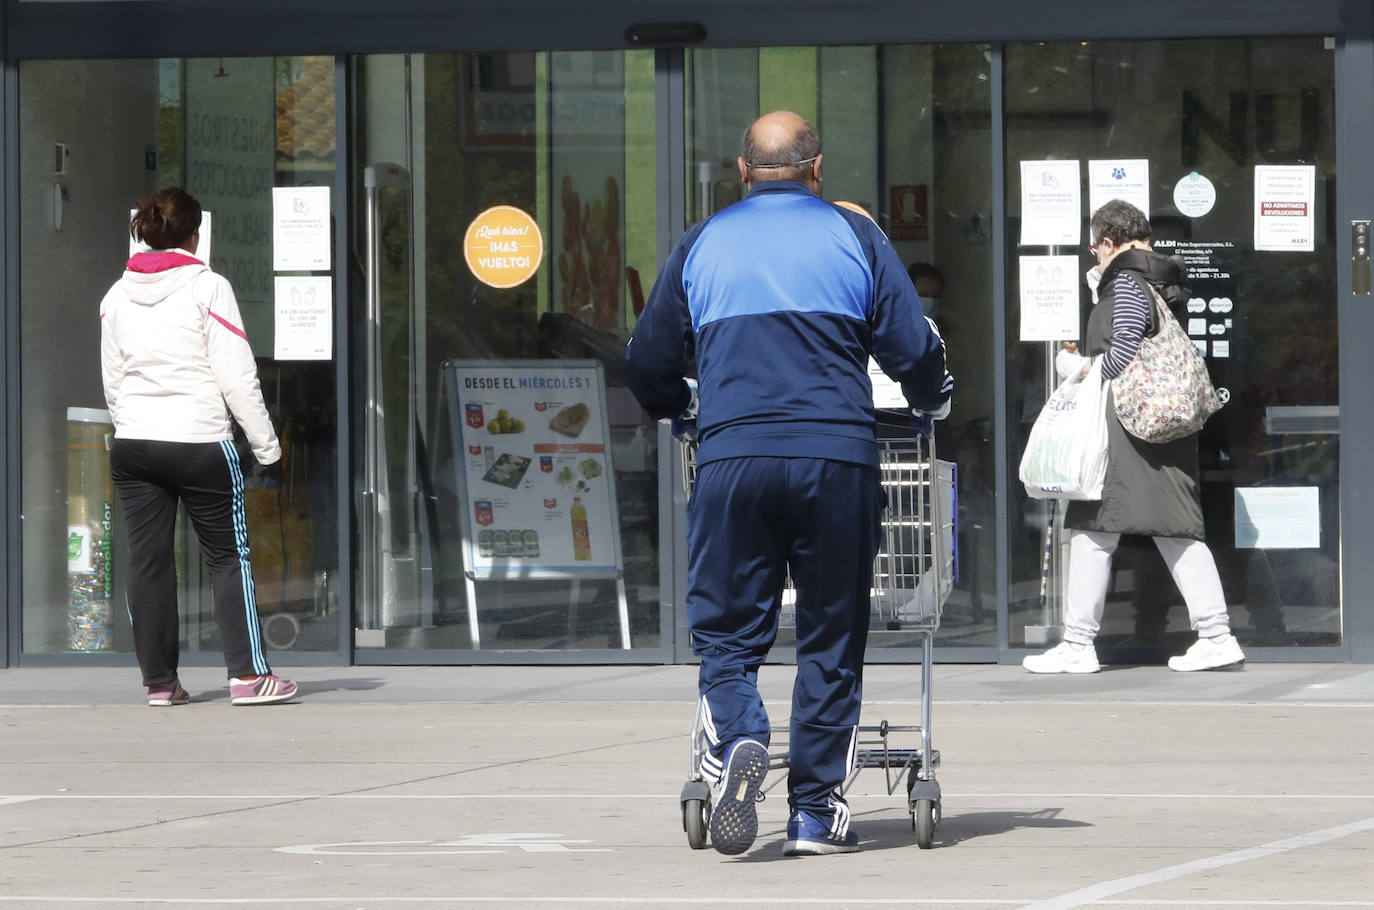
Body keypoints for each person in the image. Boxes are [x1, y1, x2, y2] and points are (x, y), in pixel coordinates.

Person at [625, 111, 951, 856]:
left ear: (741, 172)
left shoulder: (703, 242)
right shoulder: (855, 235)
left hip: (734, 458)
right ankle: (813, 813)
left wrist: (683, 410)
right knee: (833, 633)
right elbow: (911, 346)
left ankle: (740, 736)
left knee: (728, 634)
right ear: (818, 168)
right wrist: (931, 396)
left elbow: (646, 361)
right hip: (836, 460)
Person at [1022, 199, 1245, 674]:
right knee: (1164, 531)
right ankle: (1214, 634)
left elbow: (1121, 355)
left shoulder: (1126, 282)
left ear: (1106, 242)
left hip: (1128, 429)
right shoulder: (1157, 281)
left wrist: (1076, 366)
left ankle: (1083, 645)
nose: (1093, 256)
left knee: (1097, 529)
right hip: (1158, 430)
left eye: (1094, 247)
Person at [100, 187, 299, 707]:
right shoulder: (208, 287)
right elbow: (237, 378)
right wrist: (268, 449)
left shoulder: (115, 296)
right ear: (194, 235)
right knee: (228, 557)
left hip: (135, 443)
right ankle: (249, 678)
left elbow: (114, 382)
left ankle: (160, 684)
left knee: (148, 561)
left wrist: (135, 424)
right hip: (198, 441)